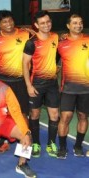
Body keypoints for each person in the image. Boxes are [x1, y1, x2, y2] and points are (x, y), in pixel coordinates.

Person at [0, 10, 31, 153]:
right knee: (2, 115)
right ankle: (3, 141)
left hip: (21, 82)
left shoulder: (26, 34)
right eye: (5, 22)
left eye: (10, 20)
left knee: (23, 115)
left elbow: (43, 42)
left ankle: (24, 152)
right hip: (2, 83)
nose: (9, 24)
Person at [22, 10, 60, 158]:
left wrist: (57, 67)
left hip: (52, 83)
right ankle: (36, 143)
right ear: (36, 25)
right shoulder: (31, 43)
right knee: (35, 114)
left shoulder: (56, 37)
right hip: (36, 83)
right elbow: (25, 64)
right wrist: (28, 86)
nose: (46, 25)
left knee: (54, 115)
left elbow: (57, 54)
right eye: (42, 23)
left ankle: (51, 143)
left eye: (48, 21)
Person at [57, 14, 89, 159]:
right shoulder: (61, 43)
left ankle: (78, 146)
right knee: (65, 117)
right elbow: (53, 63)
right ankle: (62, 148)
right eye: (75, 23)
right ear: (68, 26)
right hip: (68, 89)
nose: (78, 25)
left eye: (80, 23)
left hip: (86, 89)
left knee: (83, 116)